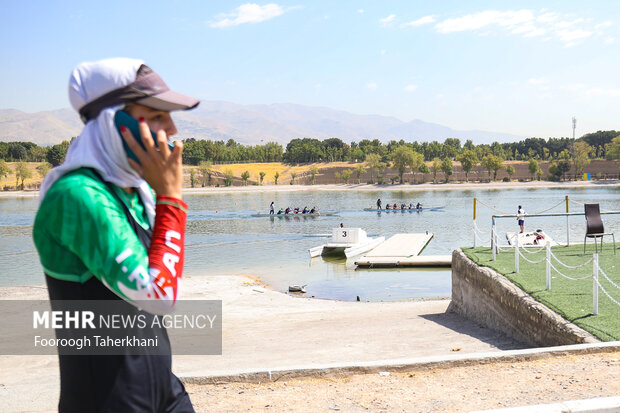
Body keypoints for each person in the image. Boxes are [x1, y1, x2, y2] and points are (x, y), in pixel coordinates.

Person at [33, 58, 198, 412]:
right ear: (114, 122)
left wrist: (162, 197)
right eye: (155, 116)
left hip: (163, 390)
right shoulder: (77, 196)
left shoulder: (137, 191)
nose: (171, 129)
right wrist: (172, 199)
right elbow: (159, 297)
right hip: (107, 401)